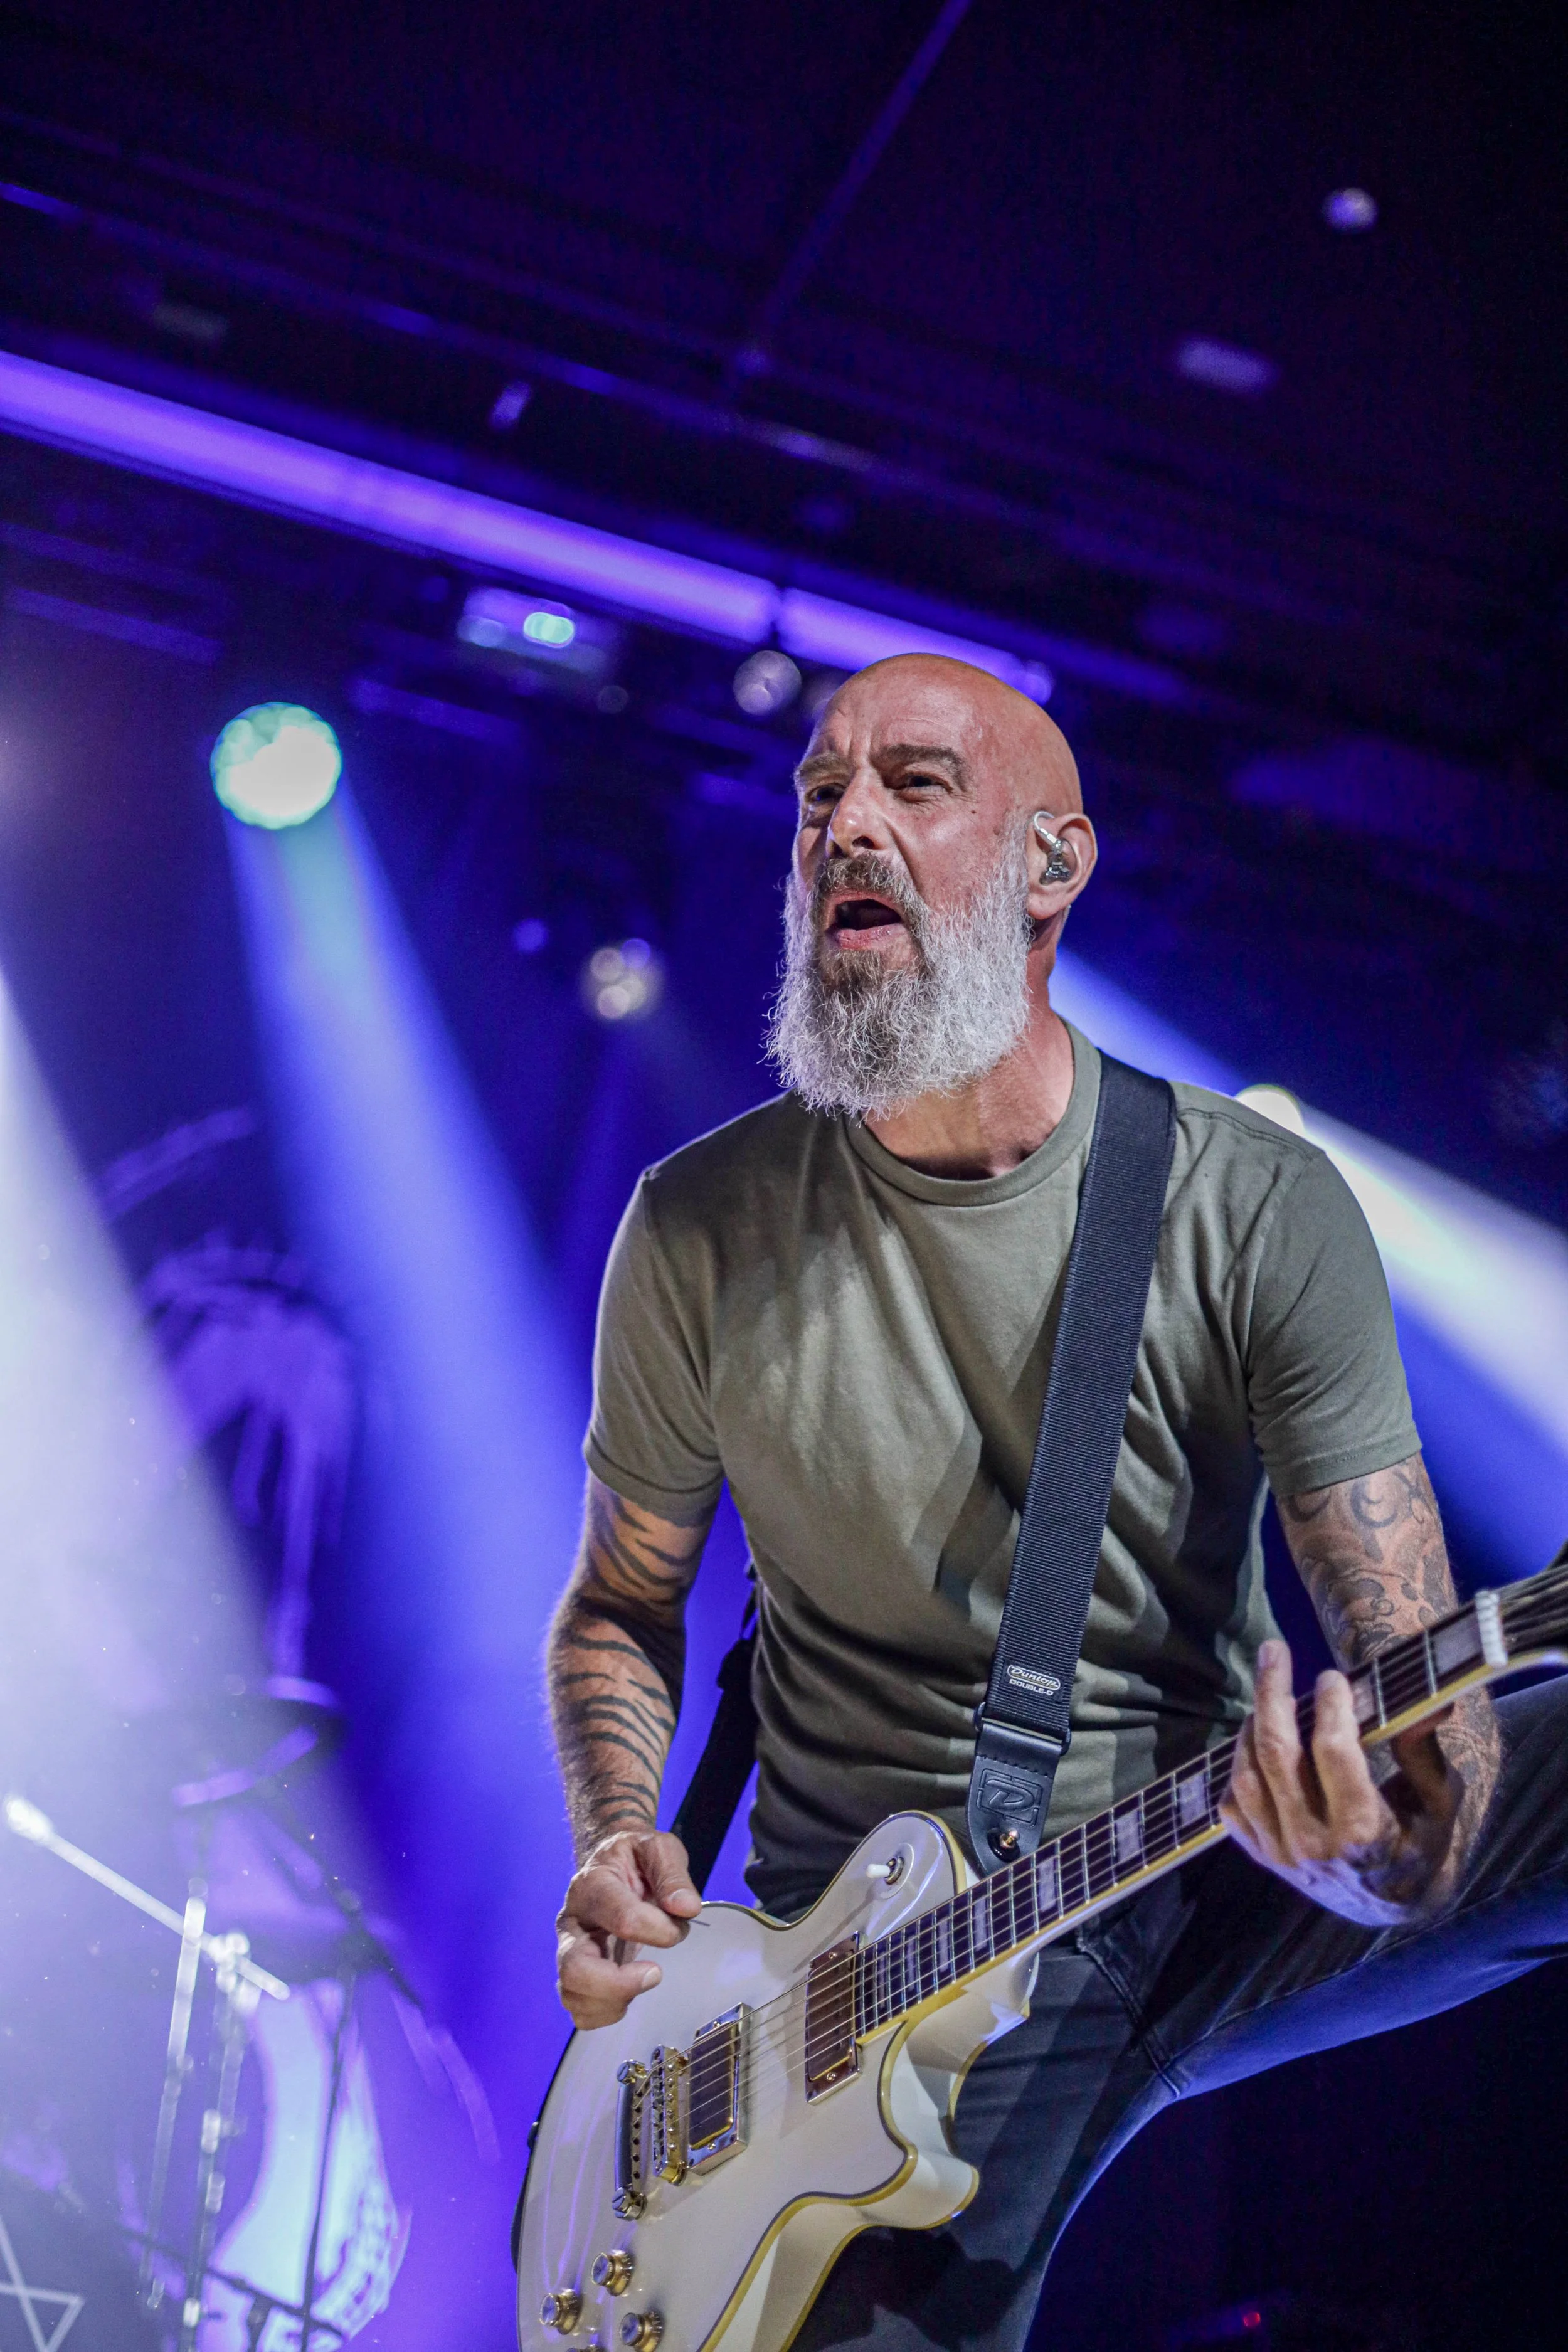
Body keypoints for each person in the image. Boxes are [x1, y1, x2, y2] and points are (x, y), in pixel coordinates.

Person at [547, 653, 1567, 2351]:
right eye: (818, 796)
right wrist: (610, 1842)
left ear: (1051, 864)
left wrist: (1381, 1851)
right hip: (838, 1975)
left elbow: (1414, 1678)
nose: (843, 825)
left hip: (1184, 1874)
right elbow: (618, 1602)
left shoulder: (1245, 1204)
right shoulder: (697, 1223)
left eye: (914, 784)